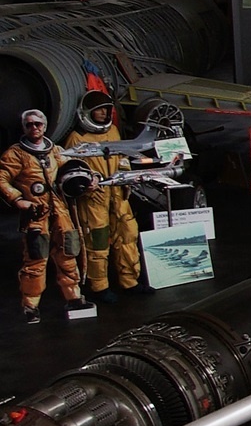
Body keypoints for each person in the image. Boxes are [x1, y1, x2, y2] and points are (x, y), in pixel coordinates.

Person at [61, 91, 152, 305]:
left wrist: (126, 175)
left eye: (106, 109)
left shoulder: (113, 131)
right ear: (86, 113)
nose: (104, 113)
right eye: (98, 110)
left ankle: (130, 281)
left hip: (119, 194)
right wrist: (87, 183)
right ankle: (99, 286)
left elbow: (123, 157)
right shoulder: (77, 139)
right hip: (94, 199)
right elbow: (71, 170)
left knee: (128, 235)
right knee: (97, 241)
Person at [0, 109, 87, 323]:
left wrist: (88, 177)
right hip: (35, 212)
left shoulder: (55, 150)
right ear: (24, 127)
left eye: (38, 124)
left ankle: (74, 298)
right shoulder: (15, 154)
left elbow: (73, 166)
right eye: (29, 124)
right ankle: (31, 305)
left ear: (45, 126)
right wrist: (18, 199)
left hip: (59, 208)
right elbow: (1, 179)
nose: (34, 128)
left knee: (68, 252)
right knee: (36, 259)